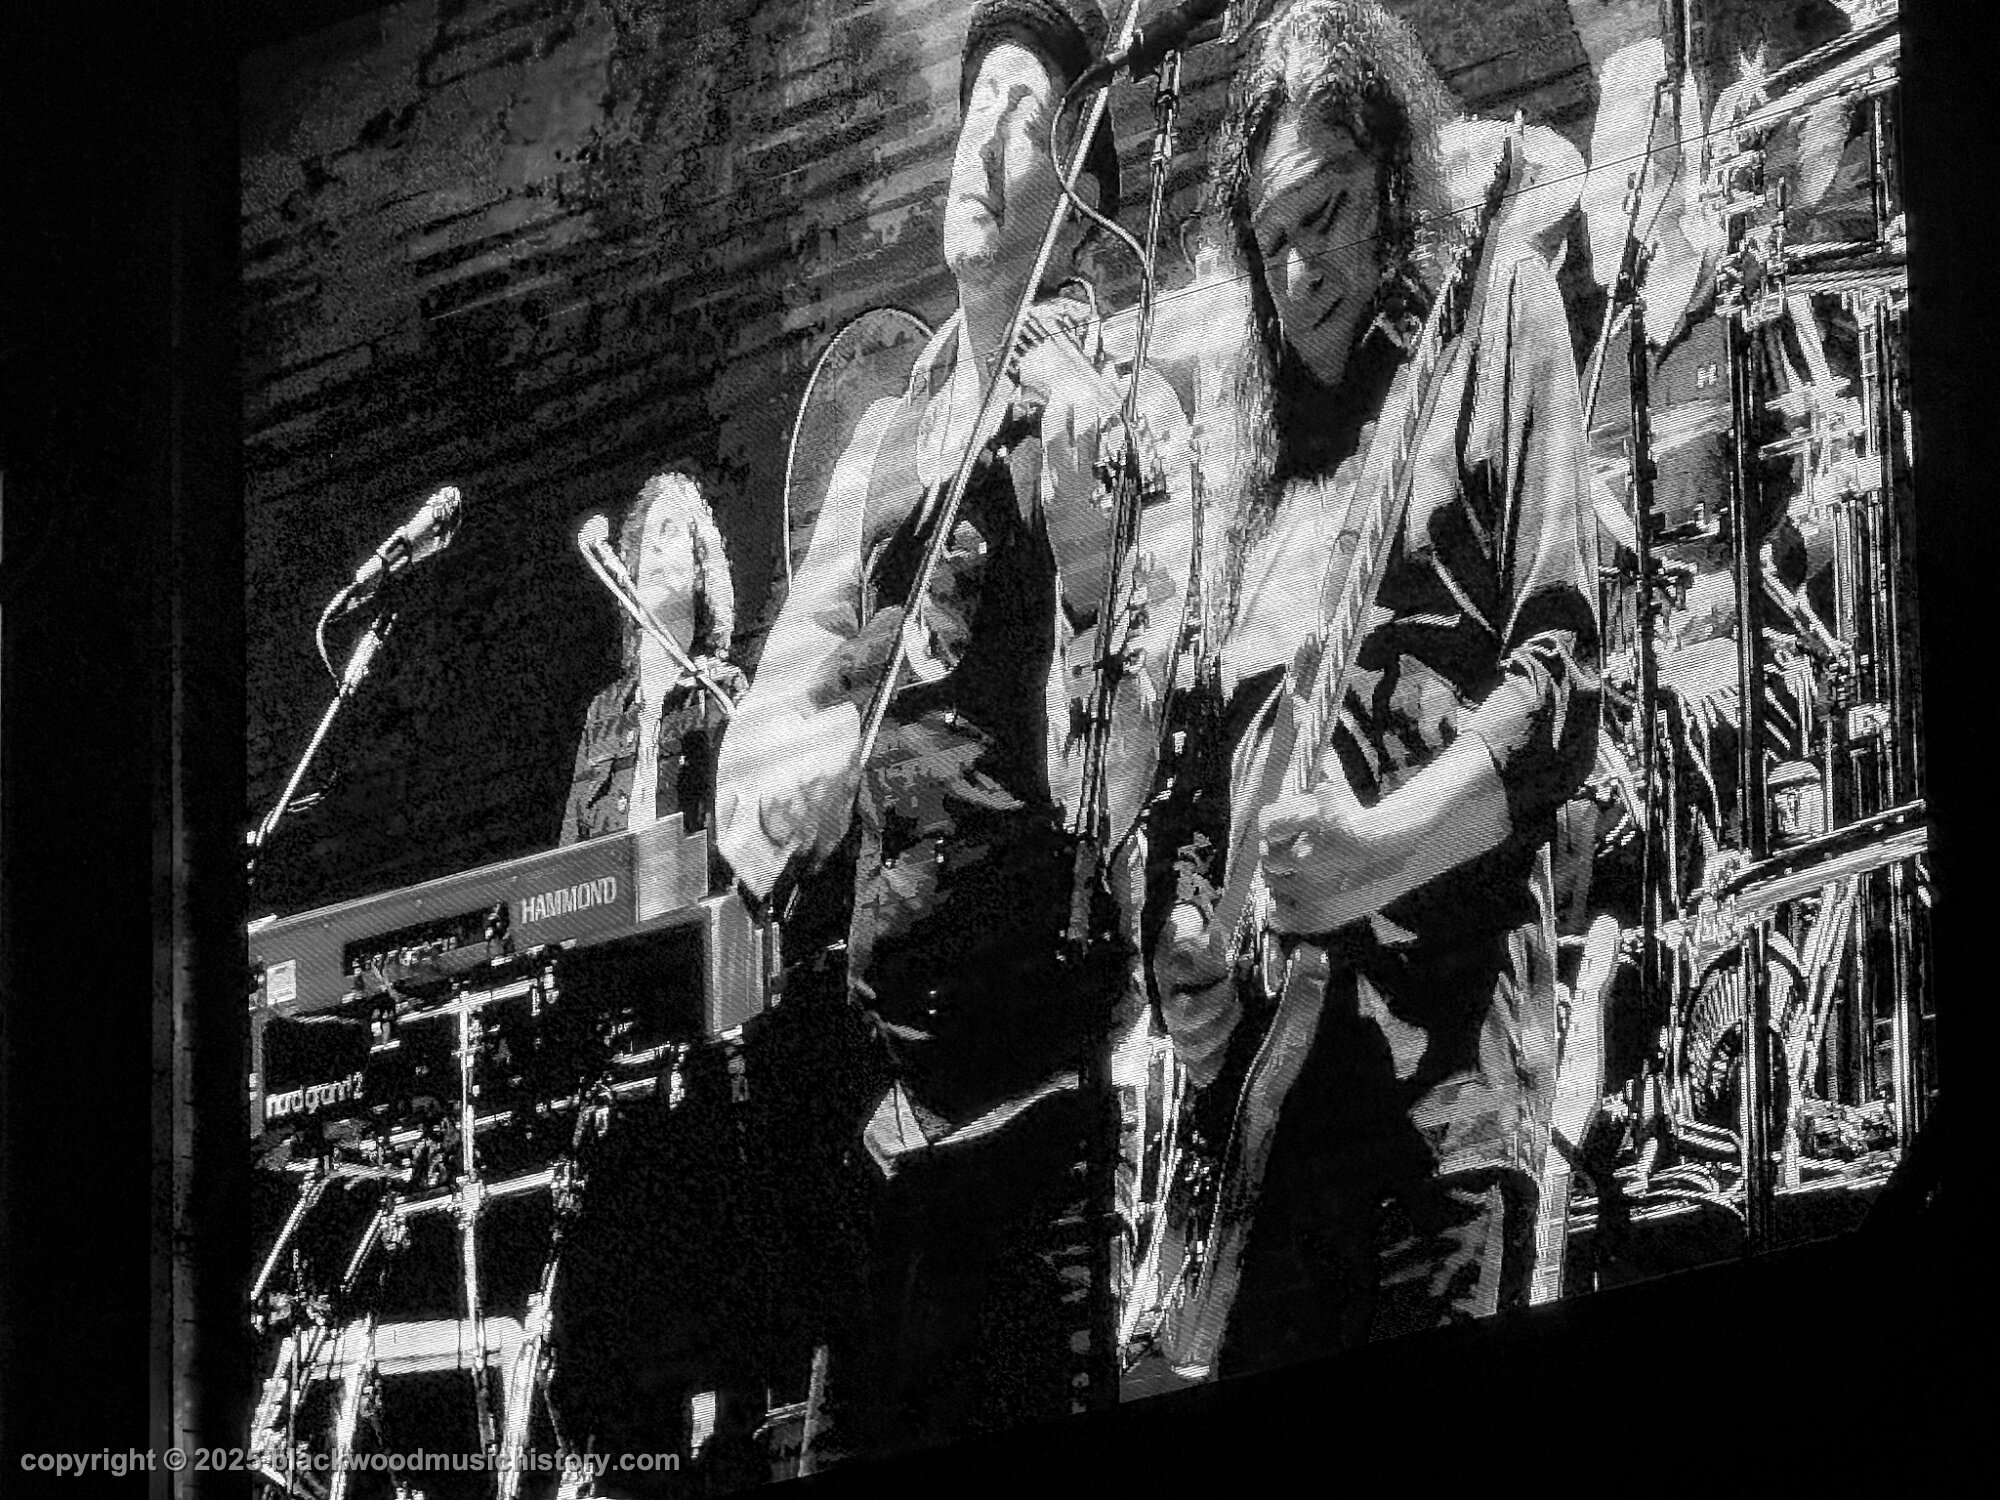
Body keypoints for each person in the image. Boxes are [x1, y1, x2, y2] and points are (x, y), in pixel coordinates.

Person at [714, 0, 1196, 1457]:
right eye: (972, 102)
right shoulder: (887, 440)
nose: (981, 137)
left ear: (1083, 182)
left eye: (1023, 109)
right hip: (880, 1120)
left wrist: (1090, 535)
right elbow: (765, 734)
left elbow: (1121, 762)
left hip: (1041, 1108)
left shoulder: (1121, 404)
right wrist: (794, 775)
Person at [1152, 0, 1600, 1377]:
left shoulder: (1497, 312)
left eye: (1328, 214)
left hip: (1447, 1082)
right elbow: (1200, 784)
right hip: (1272, 1130)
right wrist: (1187, 957)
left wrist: (1379, 850)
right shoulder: (1263, 469)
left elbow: (1560, 685)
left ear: (1396, 181)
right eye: (1270, 241)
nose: (1299, 272)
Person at [560, 470, 742, 849]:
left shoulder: (720, 691)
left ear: (699, 565)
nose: (655, 546)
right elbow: (571, 855)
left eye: (670, 532)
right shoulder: (604, 710)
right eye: (648, 536)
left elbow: (738, 831)